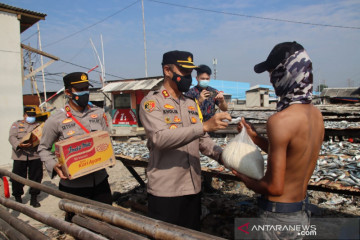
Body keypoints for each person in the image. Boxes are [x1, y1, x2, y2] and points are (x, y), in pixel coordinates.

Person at [232, 41, 324, 239]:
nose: (271, 79)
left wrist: (244, 178)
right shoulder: (316, 116)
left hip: (278, 216)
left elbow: (275, 187)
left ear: (288, 72)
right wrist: (255, 138)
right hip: (301, 211)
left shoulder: (280, 121)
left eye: (273, 72)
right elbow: (292, 153)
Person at [139, 50, 231, 230]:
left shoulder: (190, 103)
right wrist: (203, 126)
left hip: (193, 188)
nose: (189, 77)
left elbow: (202, 140)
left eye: (190, 73)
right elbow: (159, 138)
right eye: (184, 72)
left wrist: (225, 157)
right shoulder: (152, 102)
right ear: (167, 70)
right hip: (166, 191)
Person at [38, 72, 113, 209]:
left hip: (100, 181)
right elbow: (43, 148)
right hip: (74, 187)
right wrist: (54, 165)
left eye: (86, 88)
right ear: (67, 92)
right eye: (79, 90)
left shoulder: (99, 113)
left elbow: (106, 139)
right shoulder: (55, 120)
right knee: (78, 225)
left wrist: (109, 155)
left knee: (106, 220)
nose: (85, 92)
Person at [8, 106, 43, 207]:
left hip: (35, 155)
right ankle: (18, 197)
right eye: (29, 115)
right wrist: (19, 144)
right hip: (20, 155)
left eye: (33, 115)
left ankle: (34, 198)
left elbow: (43, 138)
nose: (31, 117)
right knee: (17, 177)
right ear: (24, 115)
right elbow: (11, 137)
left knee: (36, 177)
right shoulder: (17, 125)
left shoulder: (39, 126)